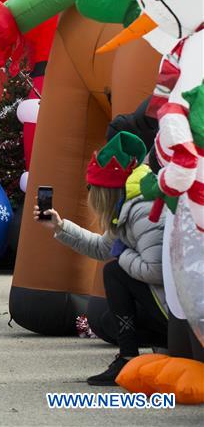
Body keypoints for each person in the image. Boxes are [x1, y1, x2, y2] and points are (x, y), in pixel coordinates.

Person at [34, 132, 167, 386]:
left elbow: (155, 270)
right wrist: (60, 226)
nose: (90, 194)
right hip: (167, 305)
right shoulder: (128, 205)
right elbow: (101, 247)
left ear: (105, 190)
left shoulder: (142, 210)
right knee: (106, 320)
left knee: (114, 273)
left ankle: (129, 357)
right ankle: (141, 353)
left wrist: (123, 254)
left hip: (177, 314)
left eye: (91, 187)